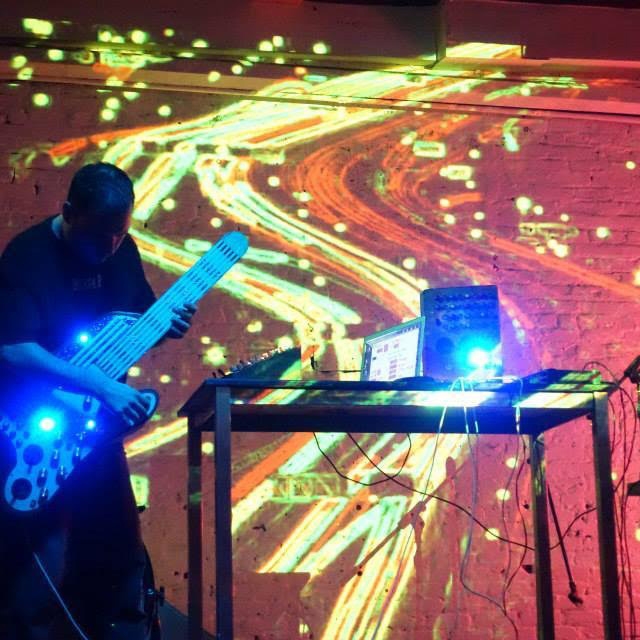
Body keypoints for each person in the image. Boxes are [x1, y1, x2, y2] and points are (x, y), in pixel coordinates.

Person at [0, 162, 196, 639]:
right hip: (31, 434)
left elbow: (135, 320)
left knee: (119, 554)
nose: (109, 248)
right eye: (98, 237)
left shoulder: (120, 249)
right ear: (68, 212)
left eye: (118, 234)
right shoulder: (26, 256)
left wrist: (166, 323)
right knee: (35, 571)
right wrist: (99, 384)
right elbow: (13, 347)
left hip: (95, 432)